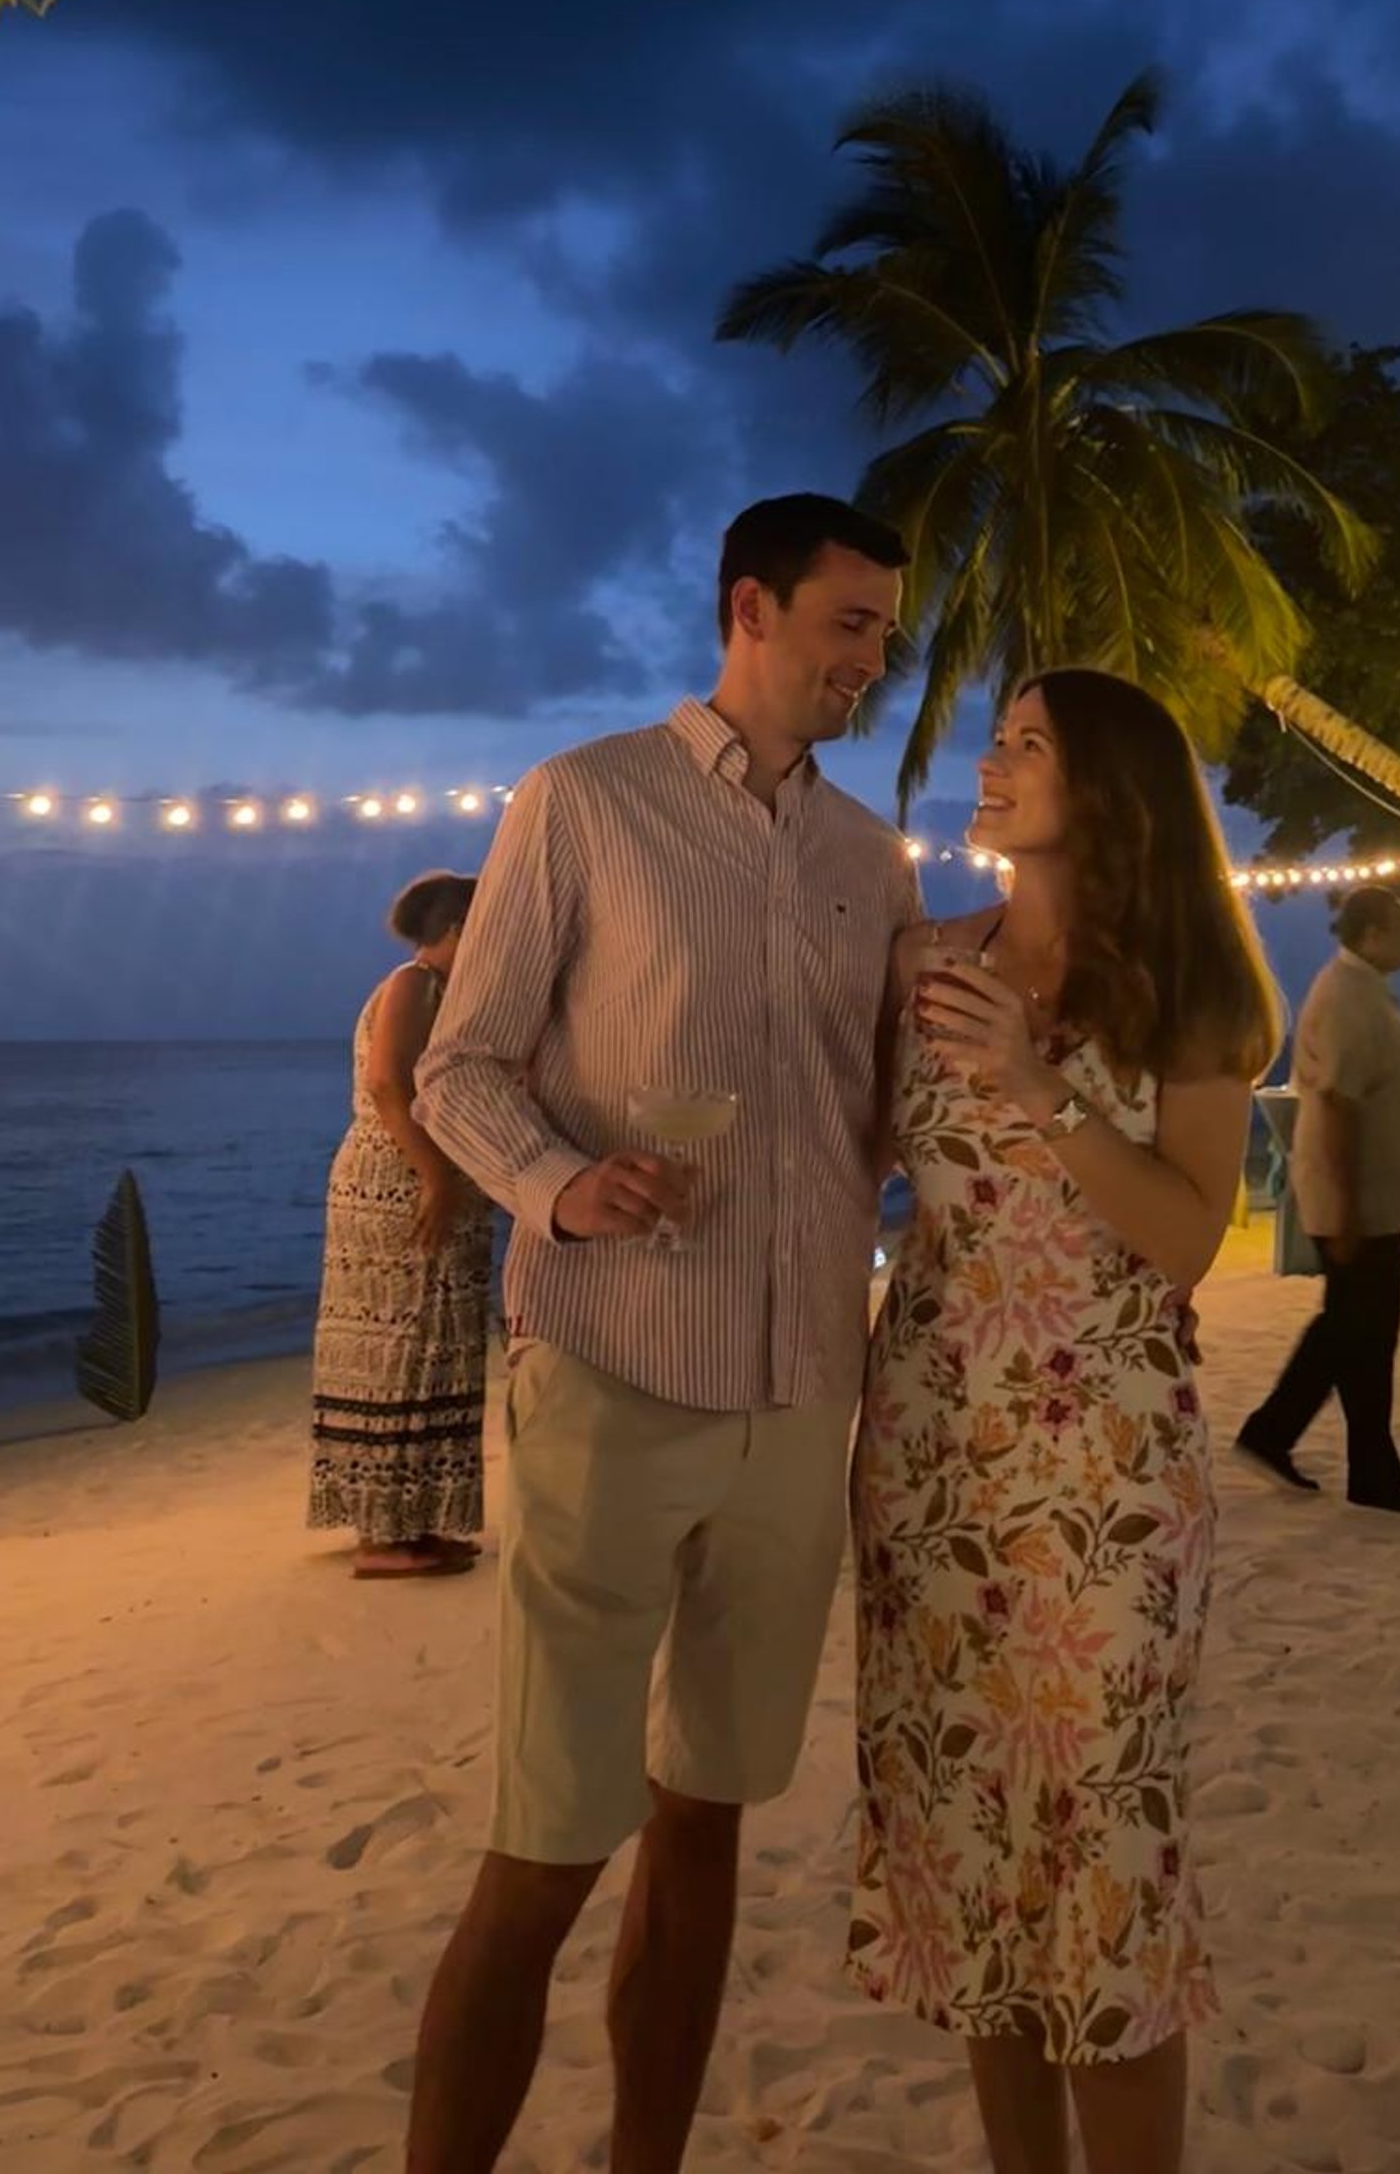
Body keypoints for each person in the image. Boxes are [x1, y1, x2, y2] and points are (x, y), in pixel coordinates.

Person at [403, 493, 918, 2174]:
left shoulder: (870, 858)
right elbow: (458, 1065)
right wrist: (559, 1183)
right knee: (547, 1839)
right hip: (613, 1372)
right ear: (750, 609)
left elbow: (882, 1113)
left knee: (709, 1825)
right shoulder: (583, 801)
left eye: (888, 636)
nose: (873, 661)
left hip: (796, 1393)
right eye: (849, 623)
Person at [848, 669, 1277, 2174]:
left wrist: (1038, 1084)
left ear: (1109, 788)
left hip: (1108, 1460)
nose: (992, 760)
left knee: (1106, 1850)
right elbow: (845, 1169)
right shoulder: (920, 958)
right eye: (1000, 736)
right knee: (970, 1848)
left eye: (1029, 743)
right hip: (929, 1451)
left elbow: (1189, 1237)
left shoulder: (1193, 986)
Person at [1235, 884, 1400, 1515]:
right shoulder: (1350, 996)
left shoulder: (1360, 990)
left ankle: (1304, 1445)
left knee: (1354, 1332)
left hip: (1372, 1198)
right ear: (1372, 933)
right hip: (1360, 1202)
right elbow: (1341, 1107)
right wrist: (1349, 1209)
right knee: (1361, 1334)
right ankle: (1310, 1448)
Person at [308, 871, 488, 1581]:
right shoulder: (412, 984)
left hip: (432, 1174)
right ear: (454, 929)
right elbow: (388, 1085)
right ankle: (383, 1533)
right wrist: (438, 1175)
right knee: (399, 1344)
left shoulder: (449, 994)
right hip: (398, 1178)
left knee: (436, 1342)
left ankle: (415, 1518)